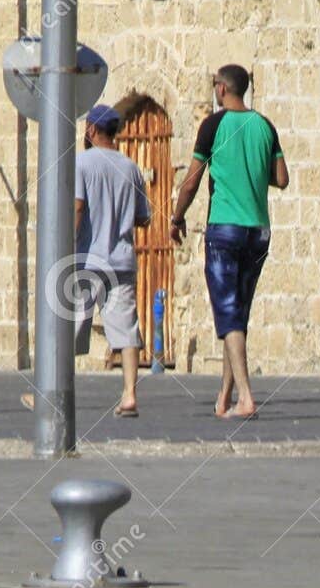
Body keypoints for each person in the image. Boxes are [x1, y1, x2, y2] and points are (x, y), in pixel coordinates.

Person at [169, 63, 289, 420]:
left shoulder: (214, 125)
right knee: (237, 312)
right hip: (258, 231)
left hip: (225, 228)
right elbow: (281, 178)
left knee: (228, 311)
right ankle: (224, 397)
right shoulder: (265, 126)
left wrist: (177, 217)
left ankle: (247, 398)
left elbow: (191, 180)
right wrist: (253, 170)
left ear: (222, 88)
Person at [73, 103, 152, 418]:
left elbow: (78, 208)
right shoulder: (130, 167)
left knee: (65, 327)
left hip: (87, 261)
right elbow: (143, 218)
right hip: (121, 261)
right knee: (126, 329)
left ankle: (50, 395)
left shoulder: (81, 164)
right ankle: (130, 394)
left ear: (91, 130)